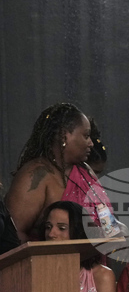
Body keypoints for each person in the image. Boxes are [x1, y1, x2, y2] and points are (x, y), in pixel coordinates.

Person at [4, 103, 94, 241]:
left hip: (92, 261)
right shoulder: (35, 174)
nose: (91, 143)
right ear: (65, 136)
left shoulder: (86, 171)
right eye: (86, 135)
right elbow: (13, 234)